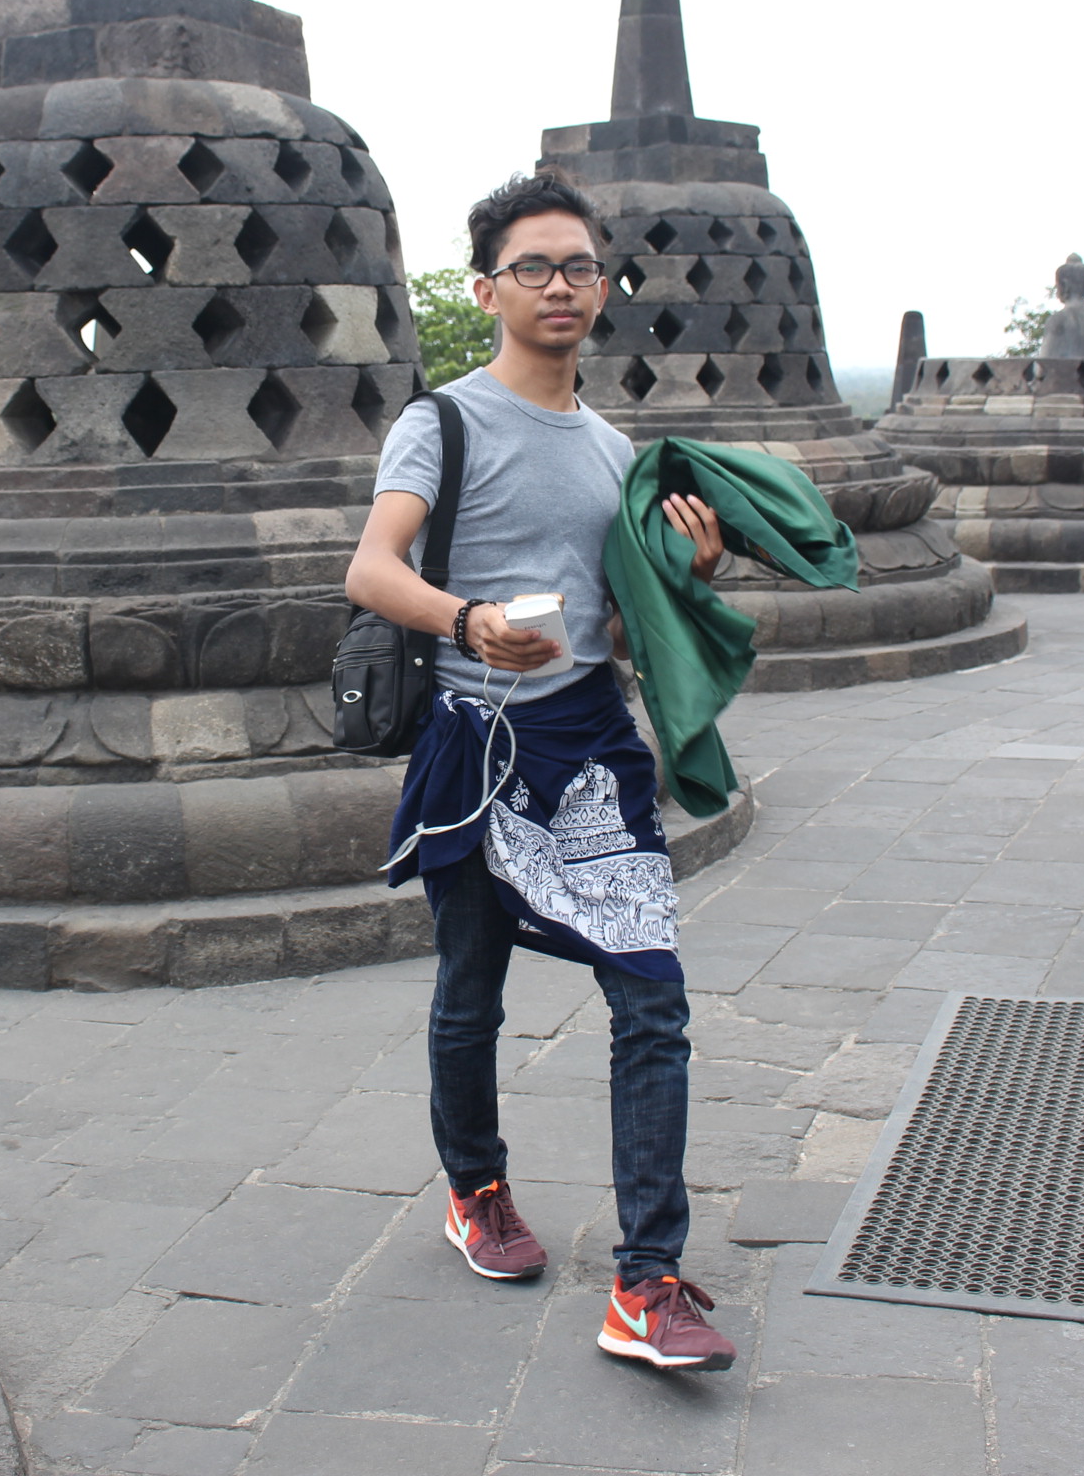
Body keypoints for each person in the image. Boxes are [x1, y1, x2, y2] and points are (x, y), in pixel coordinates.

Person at [345, 173, 737, 1372]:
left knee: (651, 994)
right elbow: (372, 568)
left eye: (578, 267)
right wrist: (465, 621)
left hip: (591, 745)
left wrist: (690, 577)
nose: (559, 286)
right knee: (472, 987)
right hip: (478, 745)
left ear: (601, 288)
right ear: (488, 290)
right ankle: (476, 1188)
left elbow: (614, 622)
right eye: (533, 267)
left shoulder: (615, 451)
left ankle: (646, 1279)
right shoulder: (443, 423)